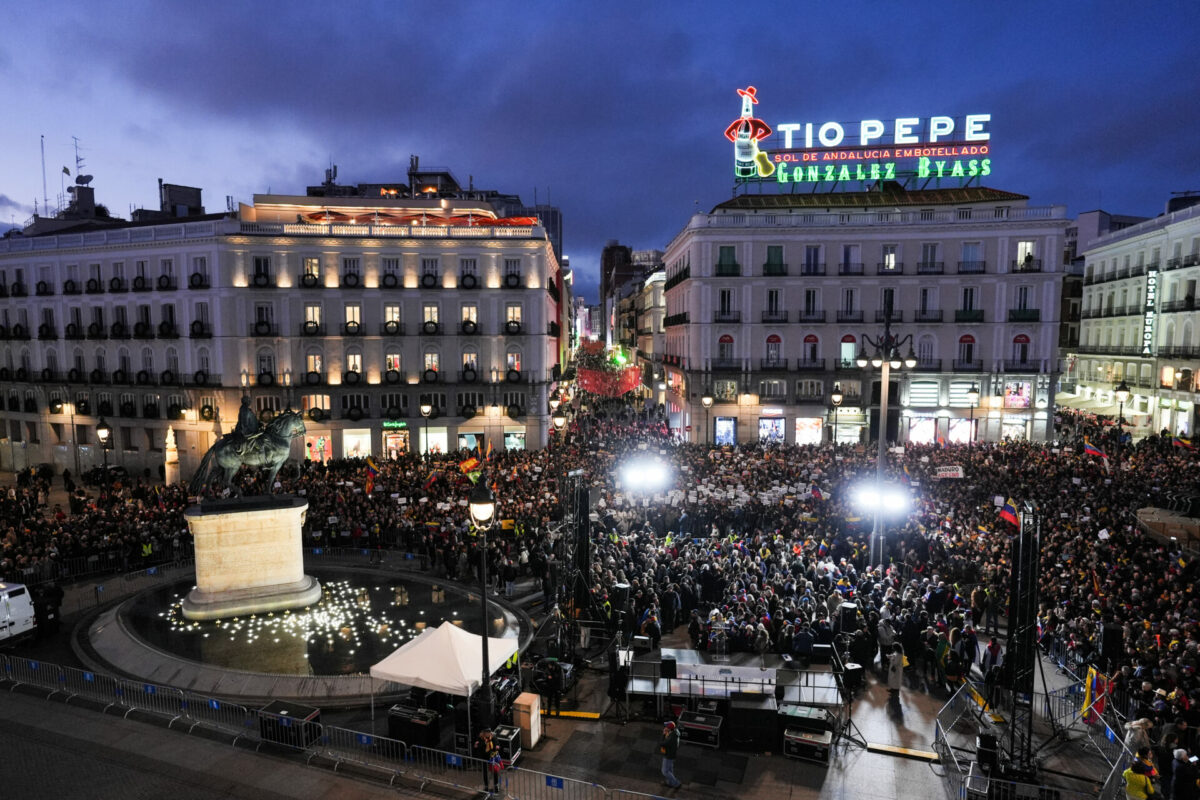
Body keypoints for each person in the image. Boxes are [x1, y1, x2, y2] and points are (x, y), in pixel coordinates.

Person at [476, 728, 502, 795]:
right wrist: (481, 744)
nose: (489, 733)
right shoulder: (481, 738)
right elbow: (478, 746)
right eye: (487, 732)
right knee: (485, 772)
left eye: (489, 732)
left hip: (492, 757)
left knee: (494, 771)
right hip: (484, 757)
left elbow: (498, 745)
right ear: (484, 733)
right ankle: (486, 786)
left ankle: (496, 785)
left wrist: (497, 747)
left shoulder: (493, 737)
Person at [660, 720, 682, 789]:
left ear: (669, 728)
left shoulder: (672, 737)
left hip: (669, 755)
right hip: (671, 754)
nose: (665, 727)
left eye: (666, 726)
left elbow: (662, 744)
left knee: (665, 771)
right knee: (669, 770)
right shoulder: (674, 733)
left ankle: (676, 784)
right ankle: (670, 783)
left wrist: (663, 734)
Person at [887, 642, 905, 707]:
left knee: (895, 679)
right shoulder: (898, 653)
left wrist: (890, 658)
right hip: (896, 668)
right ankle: (893, 688)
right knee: (893, 678)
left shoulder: (899, 654)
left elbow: (895, 662)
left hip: (896, 669)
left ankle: (895, 689)